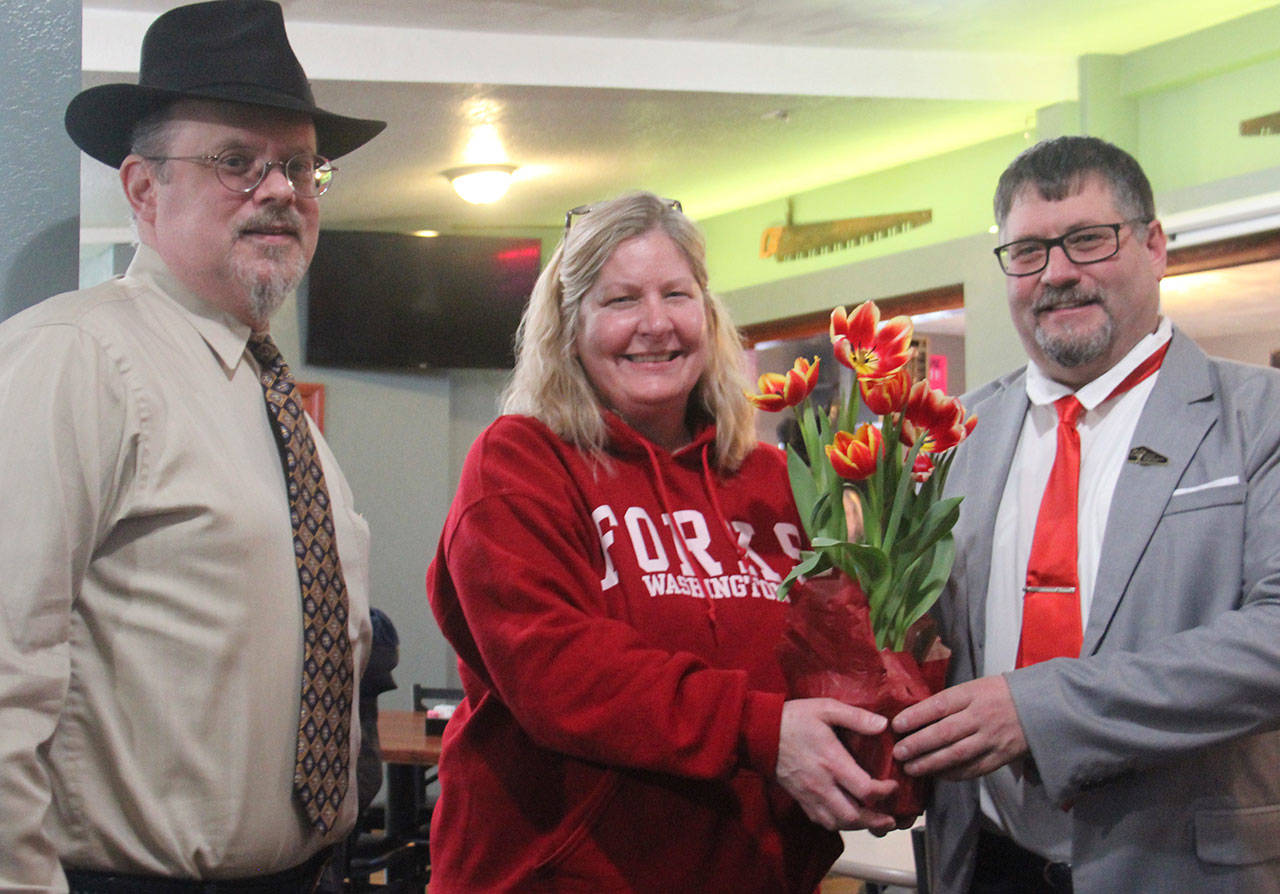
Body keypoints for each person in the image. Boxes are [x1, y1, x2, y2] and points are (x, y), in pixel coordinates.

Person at [0, 2, 385, 890]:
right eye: (235, 163)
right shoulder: (76, 360)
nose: (281, 191)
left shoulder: (266, 394)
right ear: (143, 189)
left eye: (298, 165)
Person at [426, 191, 900, 892]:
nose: (655, 324)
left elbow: (831, 657)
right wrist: (762, 731)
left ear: (707, 316)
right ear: (570, 327)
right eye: (620, 301)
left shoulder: (772, 481)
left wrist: (881, 743)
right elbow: (561, 672)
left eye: (676, 294)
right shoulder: (519, 464)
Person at [891, 135, 1280, 892]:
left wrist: (1037, 710)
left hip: (1182, 868)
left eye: (1088, 241)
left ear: (1155, 244)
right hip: (988, 862)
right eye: (1029, 251)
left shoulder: (1260, 417)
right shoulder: (950, 436)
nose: (1059, 274)